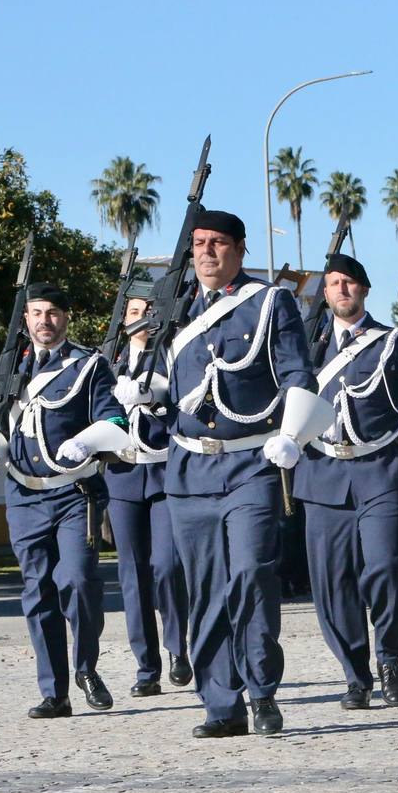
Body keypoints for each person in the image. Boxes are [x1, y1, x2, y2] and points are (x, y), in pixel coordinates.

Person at [114, 210, 317, 739]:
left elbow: (297, 371)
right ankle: (221, 704)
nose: (207, 252)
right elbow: (166, 377)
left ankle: (262, 690)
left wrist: (292, 432)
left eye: (218, 244)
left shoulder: (271, 302)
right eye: (199, 244)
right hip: (187, 467)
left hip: (250, 461)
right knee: (202, 588)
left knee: (251, 574)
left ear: (240, 249)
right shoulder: (174, 310)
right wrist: (144, 389)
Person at [295, 253, 398, 709]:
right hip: (323, 472)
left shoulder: (393, 341)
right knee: (333, 582)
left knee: (385, 566)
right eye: (333, 284)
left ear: (364, 289)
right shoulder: (308, 344)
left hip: (379, 468)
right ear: (324, 293)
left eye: (349, 282)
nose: (341, 290)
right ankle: (355, 674)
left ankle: (388, 655)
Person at [0, 282, 129, 719]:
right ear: (25, 320)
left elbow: (116, 419)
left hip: (75, 493)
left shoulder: (89, 366)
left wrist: (87, 440)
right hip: (23, 496)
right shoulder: (8, 369)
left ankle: (86, 668)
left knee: (77, 582)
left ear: (66, 317)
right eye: (35, 313)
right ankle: (54, 693)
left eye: (52, 312)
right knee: (37, 592)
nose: (44, 321)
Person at [104, 297, 192, 698]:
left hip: (162, 469)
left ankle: (177, 647)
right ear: (125, 319)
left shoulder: (172, 358)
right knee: (132, 573)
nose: (142, 321)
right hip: (123, 475)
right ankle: (146, 666)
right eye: (135, 313)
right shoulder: (108, 365)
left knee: (167, 565)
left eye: (149, 313)